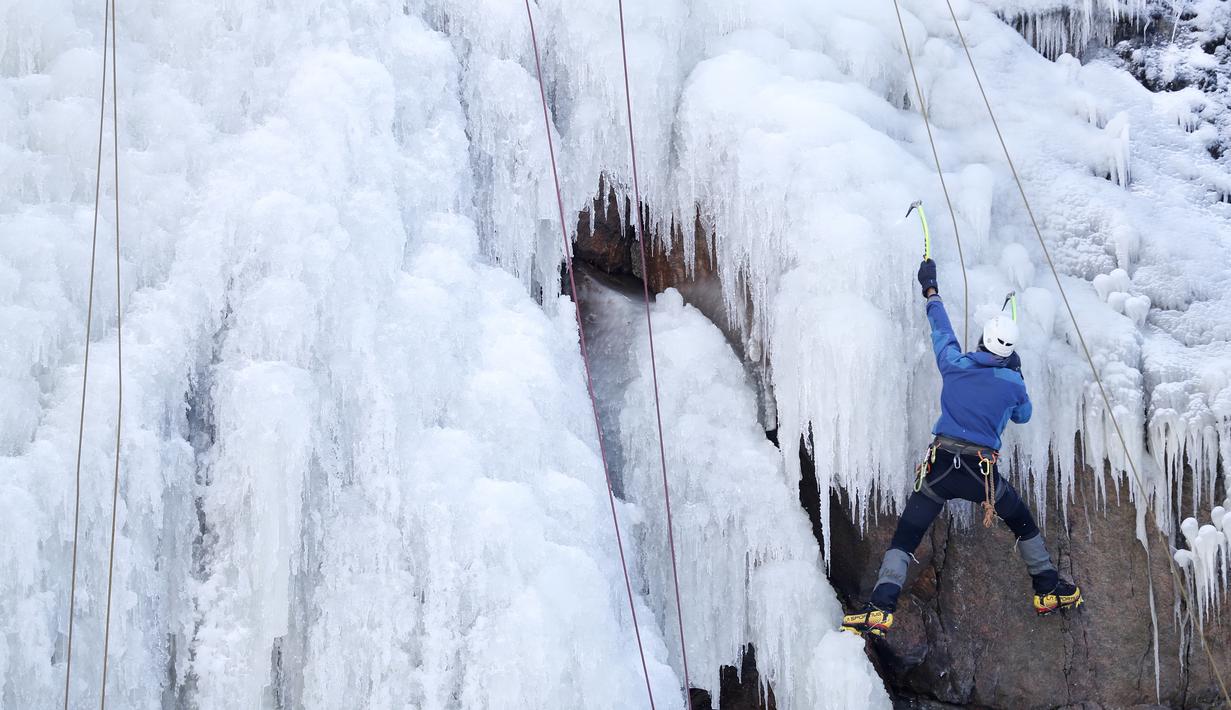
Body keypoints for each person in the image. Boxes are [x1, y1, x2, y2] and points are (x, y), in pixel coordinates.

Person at [841, 259, 1082, 638]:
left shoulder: (954, 364)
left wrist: (931, 290)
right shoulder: (1012, 383)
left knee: (906, 536)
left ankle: (879, 610)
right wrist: (1016, 374)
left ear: (984, 340)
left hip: (940, 469)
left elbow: (942, 330)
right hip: (981, 476)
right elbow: (1023, 416)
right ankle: (1047, 589)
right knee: (1021, 522)